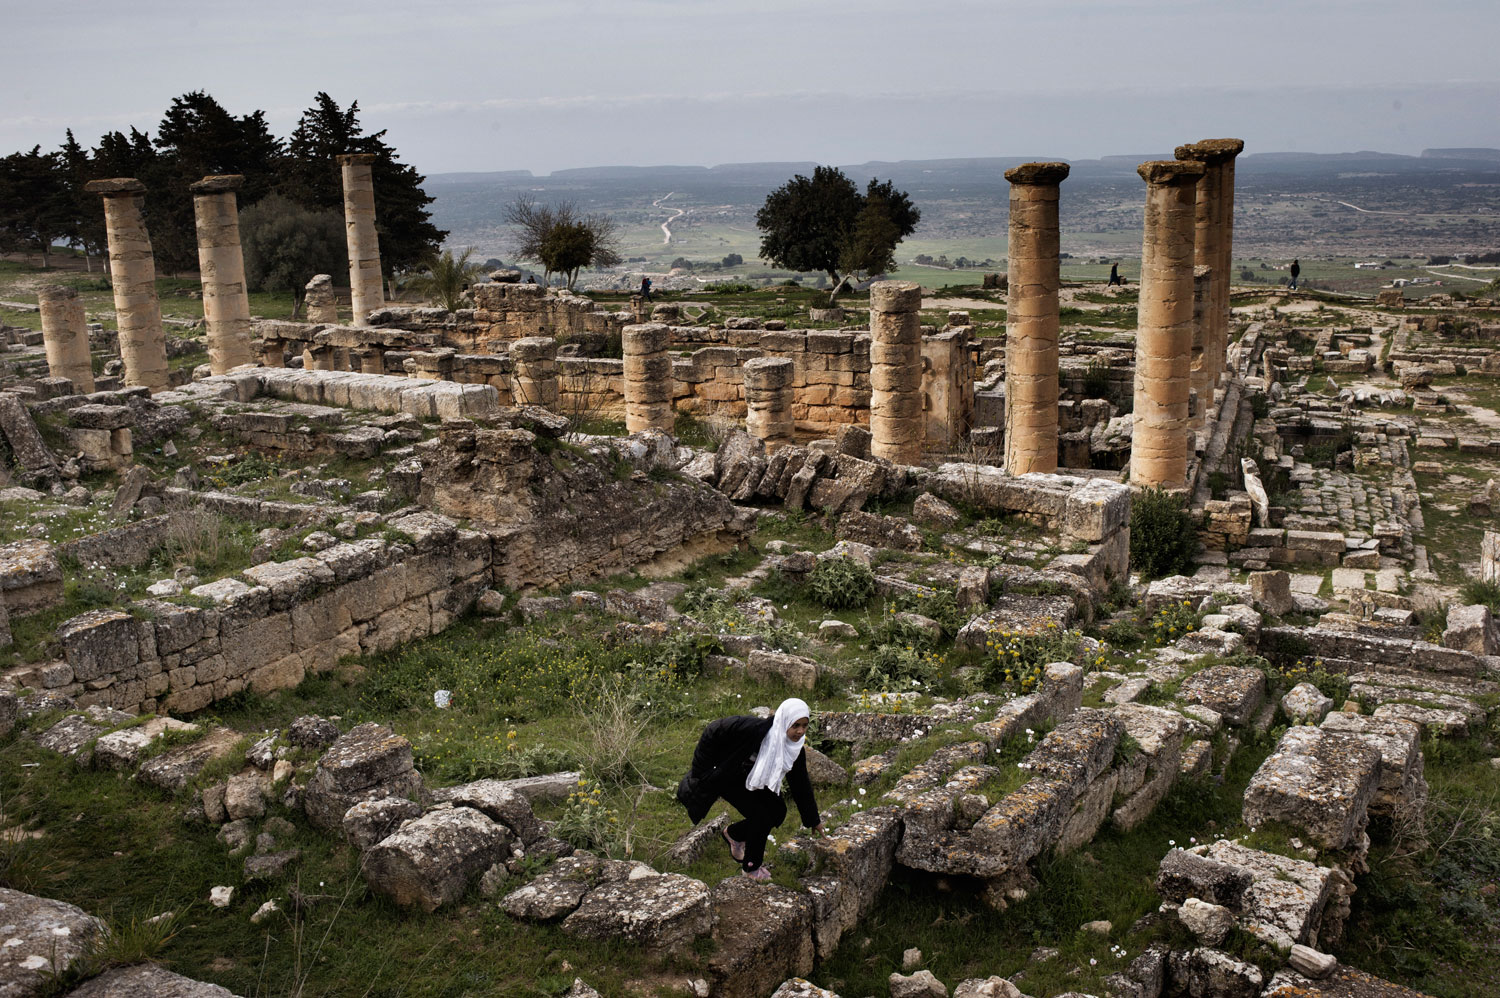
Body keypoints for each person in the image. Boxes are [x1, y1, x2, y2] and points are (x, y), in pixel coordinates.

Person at [677, 697, 823, 881]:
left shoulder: (794, 749)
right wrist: (703, 770)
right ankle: (751, 868)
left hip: (750, 776)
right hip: (727, 774)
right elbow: (713, 729)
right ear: (784, 721)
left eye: (804, 725)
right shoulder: (753, 729)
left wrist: (813, 820)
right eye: (795, 725)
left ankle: (734, 834)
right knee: (761, 815)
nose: (800, 731)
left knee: (777, 810)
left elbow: (800, 784)